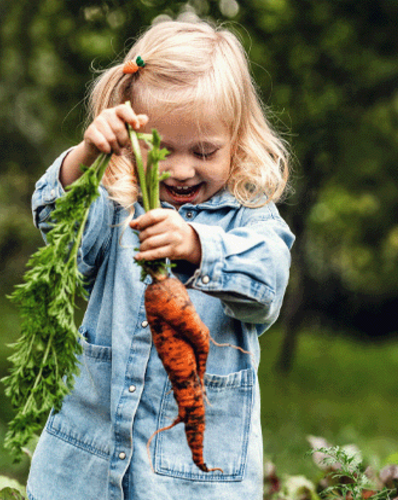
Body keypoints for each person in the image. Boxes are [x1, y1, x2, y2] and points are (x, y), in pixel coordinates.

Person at [25, 17, 294, 500]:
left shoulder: (251, 217)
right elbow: (58, 231)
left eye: (205, 151)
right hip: (86, 463)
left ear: (238, 140)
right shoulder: (116, 203)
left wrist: (197, 245)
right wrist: (87, 156)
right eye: (162, 149)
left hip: (188, 480)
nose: (183, 168)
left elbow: (267, 284)